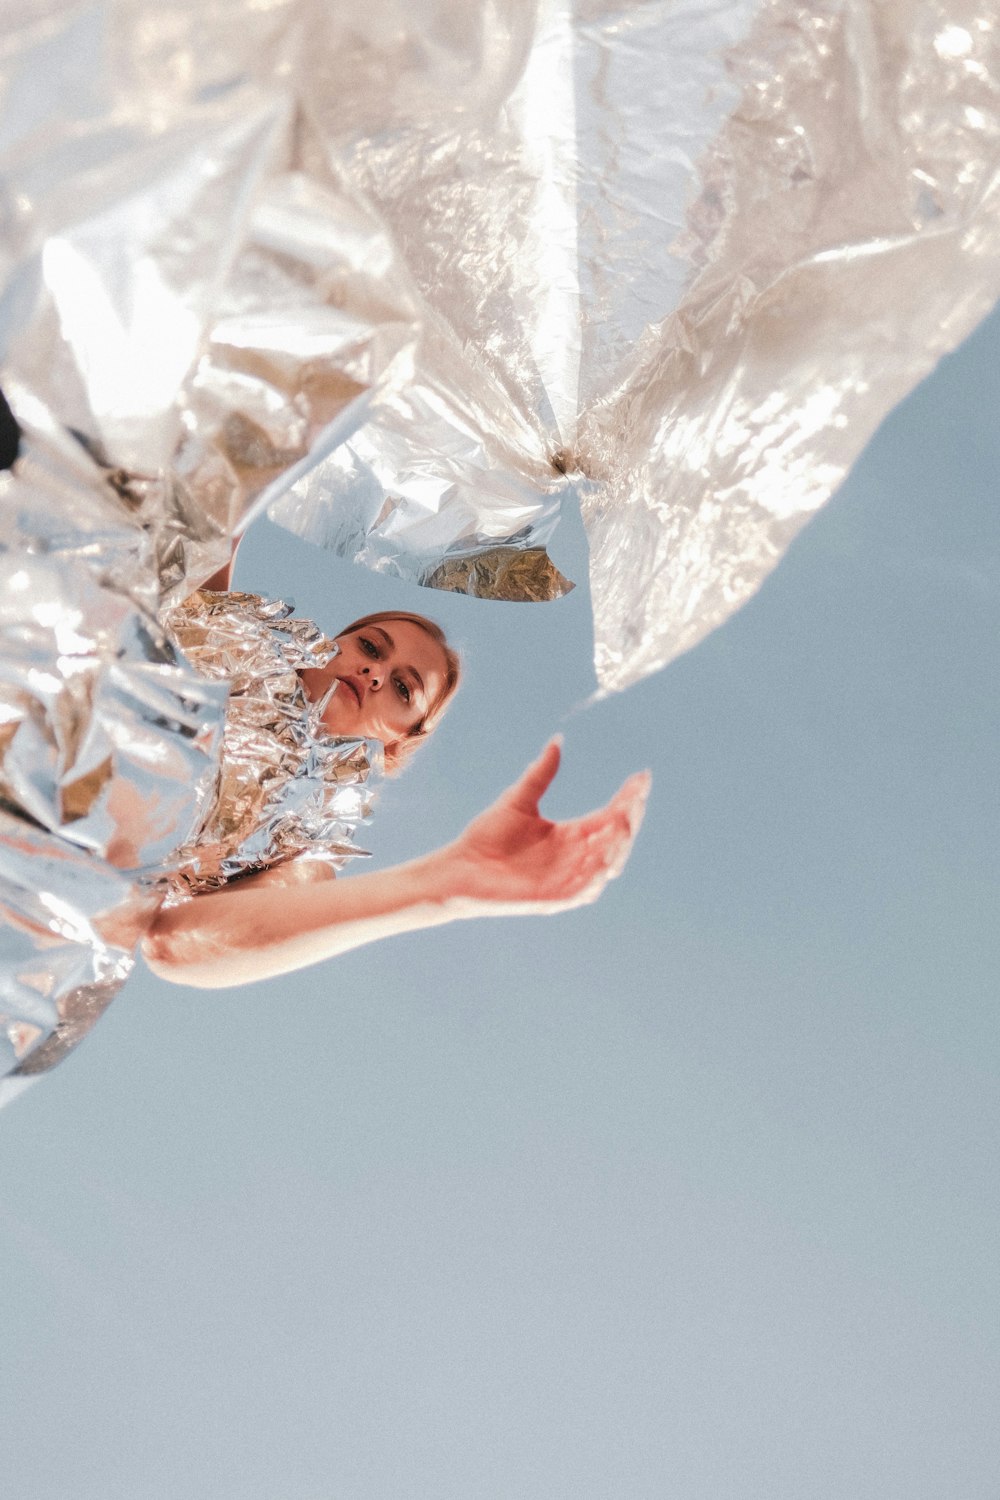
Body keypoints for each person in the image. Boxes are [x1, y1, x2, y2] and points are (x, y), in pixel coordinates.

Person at [142, 595, 650, 990]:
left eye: (405, 690)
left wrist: (445, 884)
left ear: (400, 740)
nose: (375, 672)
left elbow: (176, 944)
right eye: (369, 647)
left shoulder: (313, 835)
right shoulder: (220, 627)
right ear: (330, 642)